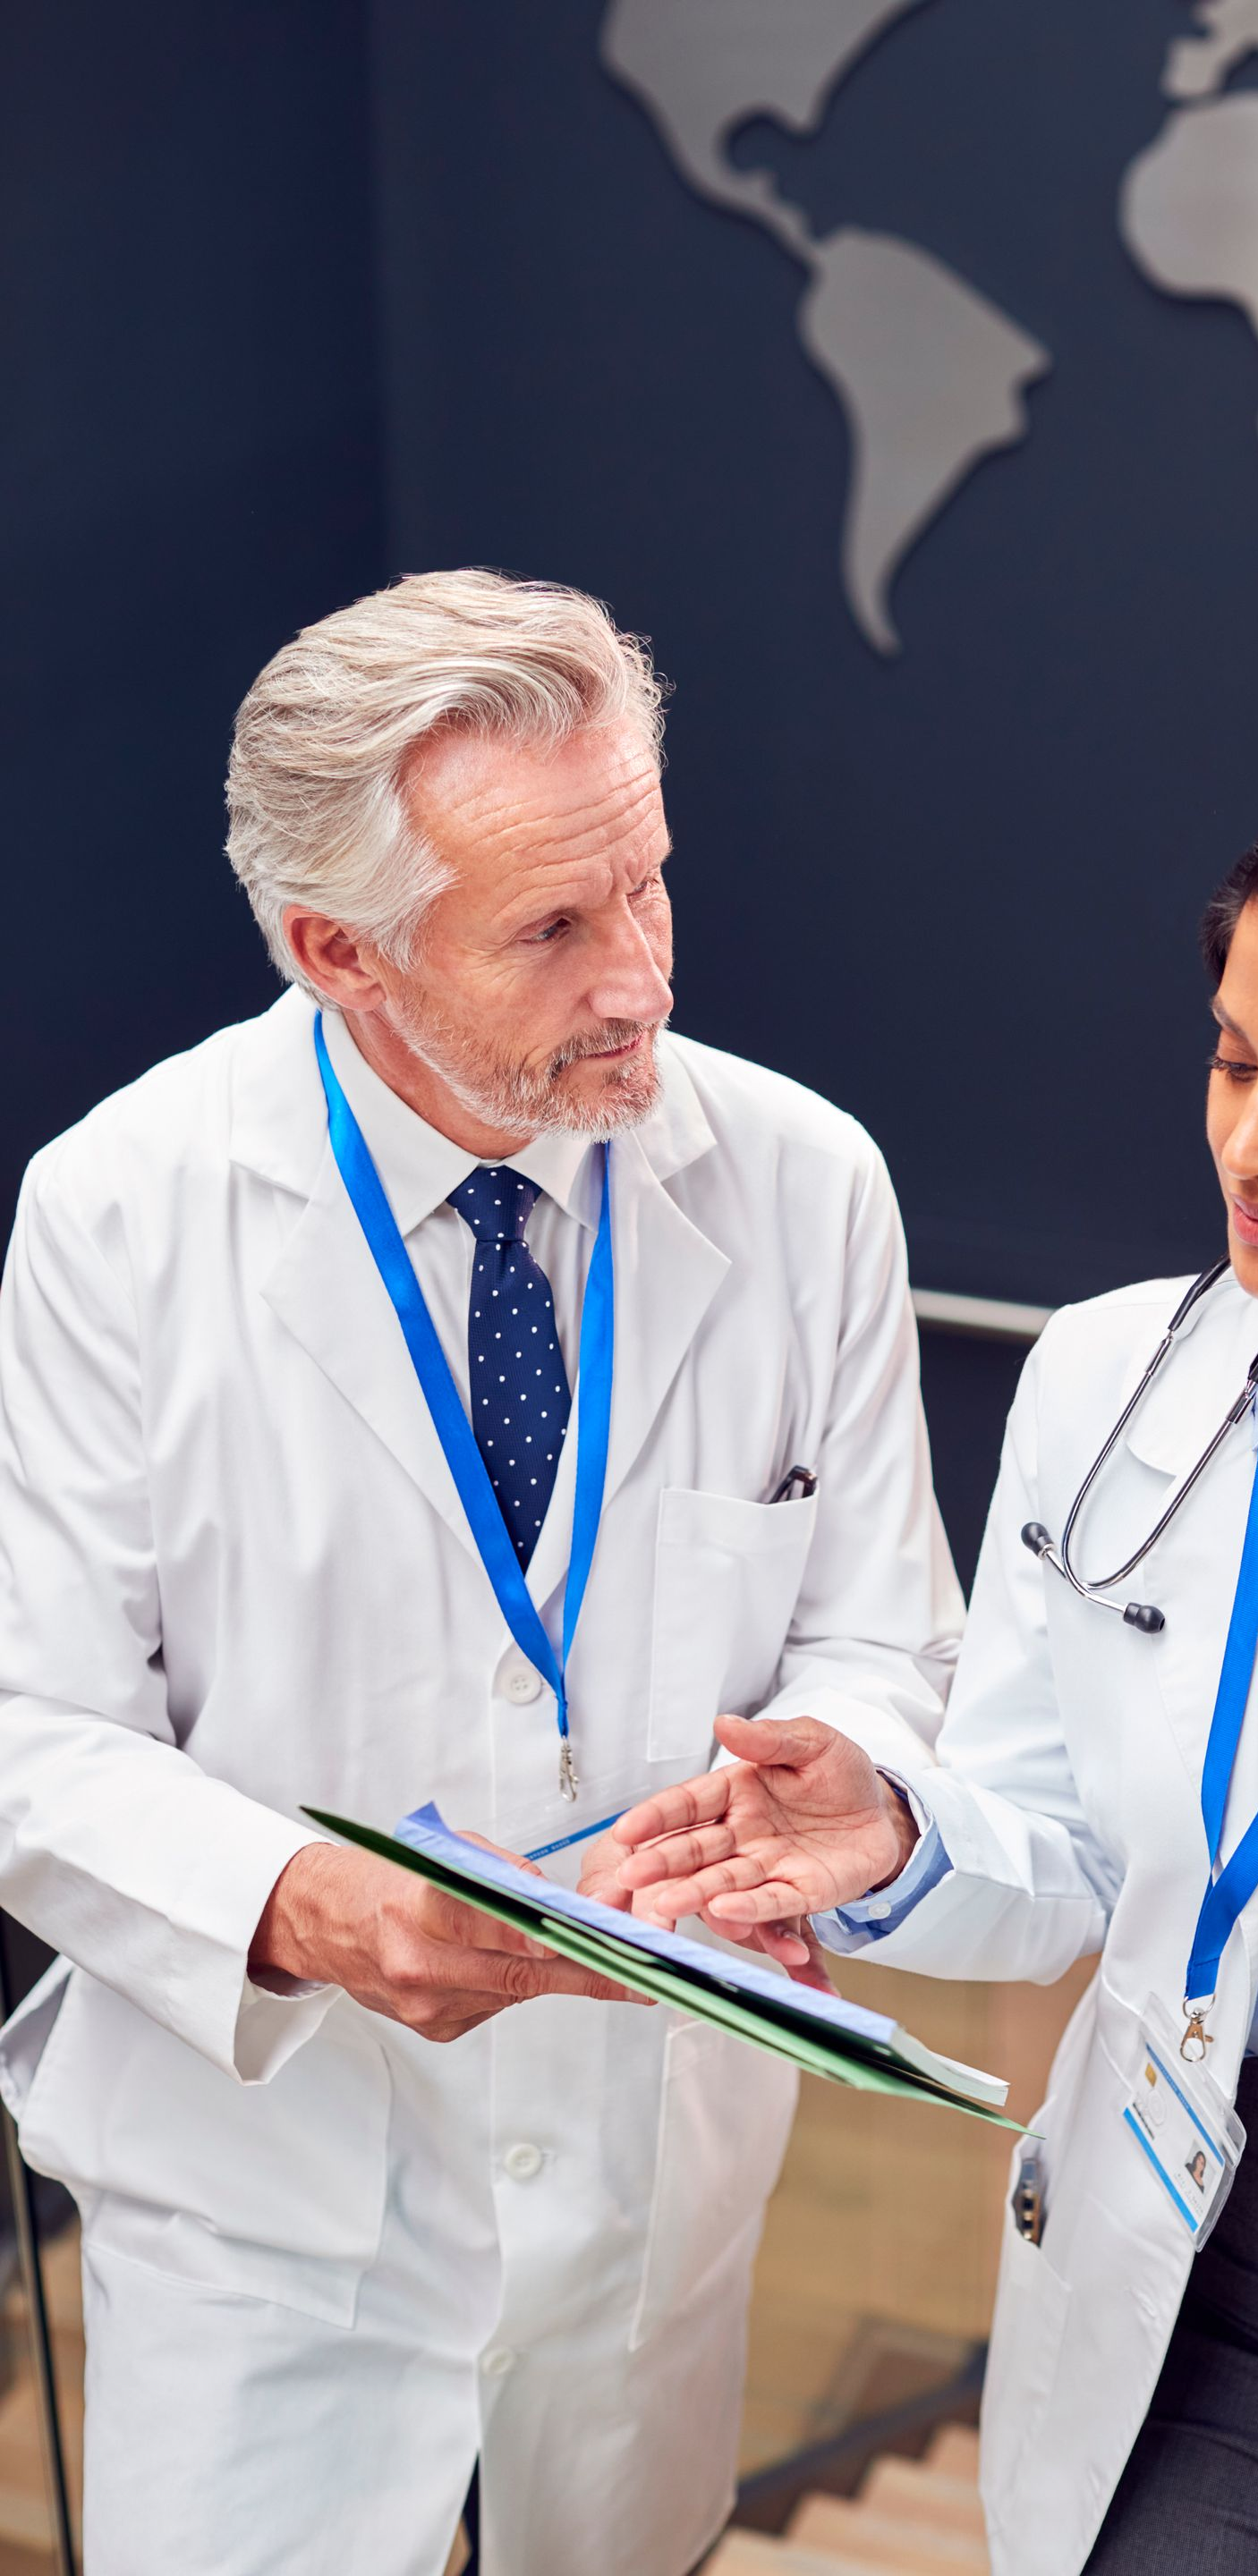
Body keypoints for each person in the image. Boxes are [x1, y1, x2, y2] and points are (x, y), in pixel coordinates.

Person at [0, 570, 961, 2576]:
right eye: (551, 927)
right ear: (339, 951)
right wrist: (310, 1908)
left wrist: (843, 1775)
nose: (644, 977)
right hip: (269, 2212)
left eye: (650, 883)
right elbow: (34, 1732)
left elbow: (883, 1630)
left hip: (643, 2196)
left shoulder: (806, 1182)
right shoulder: (118, 1215)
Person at [613, 756, 1258, 2575]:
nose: (1253, 1143)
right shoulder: (1106, 1389)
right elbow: (1062, 1856)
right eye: (1233, 1062)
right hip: (1186, 2265)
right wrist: (895, 1842)